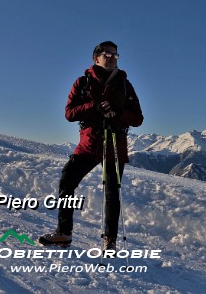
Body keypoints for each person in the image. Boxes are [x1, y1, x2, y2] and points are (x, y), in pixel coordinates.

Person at [39, 41, 143, 250]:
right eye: (108, 54)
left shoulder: (125, 84)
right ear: (96, 58)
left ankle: (110, 241)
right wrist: (95, 107)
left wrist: (118, 112)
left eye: (116, 55)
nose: (113, 58)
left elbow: (138, 118)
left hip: (114, 143)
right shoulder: (83, 82)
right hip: (90, 143)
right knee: (67, 181)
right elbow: (69, 113)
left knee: (113, 192)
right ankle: (64, 233)